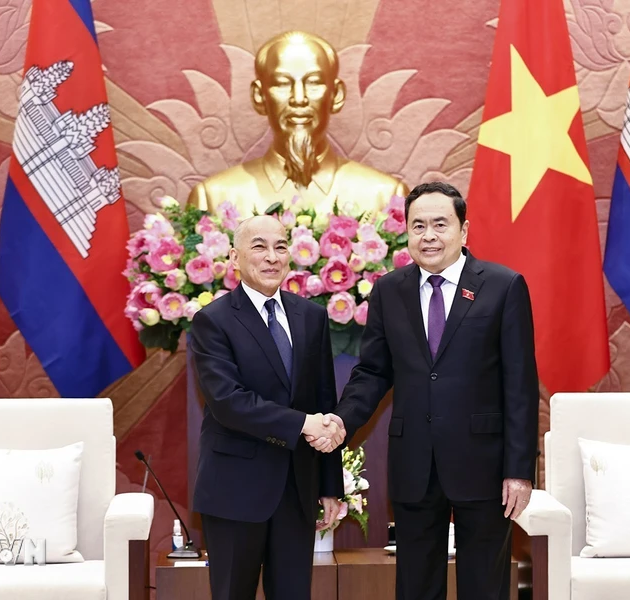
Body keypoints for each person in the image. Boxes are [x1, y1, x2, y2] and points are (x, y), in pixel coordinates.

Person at [310, 182, 539, 600]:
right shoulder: (389, 291)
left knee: (485, 585)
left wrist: (520, 469)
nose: (428, 235)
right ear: (408, 233)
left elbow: (521, 384)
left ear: (463, 231)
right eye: (418, 226)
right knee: (416, 585)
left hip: (484, 463)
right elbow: (373, 372)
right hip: (414, 462)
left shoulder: (503, 287)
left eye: (440, 224)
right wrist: (342, 420)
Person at [189, 215, 346, 600]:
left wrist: (329, 486)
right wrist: (304, 424)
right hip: (235, 490)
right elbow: (228, 401)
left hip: (297, 489)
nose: (272, 257)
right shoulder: (213, 321)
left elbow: (324, 401)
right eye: (259, 246)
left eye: (280, 246)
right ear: (235, 258)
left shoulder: (311, 317)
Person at [187, 30, 408, 218]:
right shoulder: (213, 198)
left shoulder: (387, 198)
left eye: (313, 83)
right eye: (282, 84)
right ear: (259, 96)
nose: (299, 98)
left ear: (336, 95)